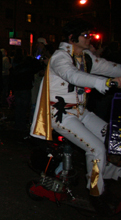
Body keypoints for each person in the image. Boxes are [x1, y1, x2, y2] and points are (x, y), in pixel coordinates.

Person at [30, 19, 121, 216]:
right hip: (61, 116)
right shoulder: (60, 58)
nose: (90, 38)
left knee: (112, 137)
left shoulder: (86, 57)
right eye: (85, 35)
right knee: (95, 147)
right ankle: (96, 192)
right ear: (72, 38)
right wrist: (108, 83)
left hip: (81, 112)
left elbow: (111, 68)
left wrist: (114, 76)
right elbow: (73, 76)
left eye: (90, 35)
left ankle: (111, 173)